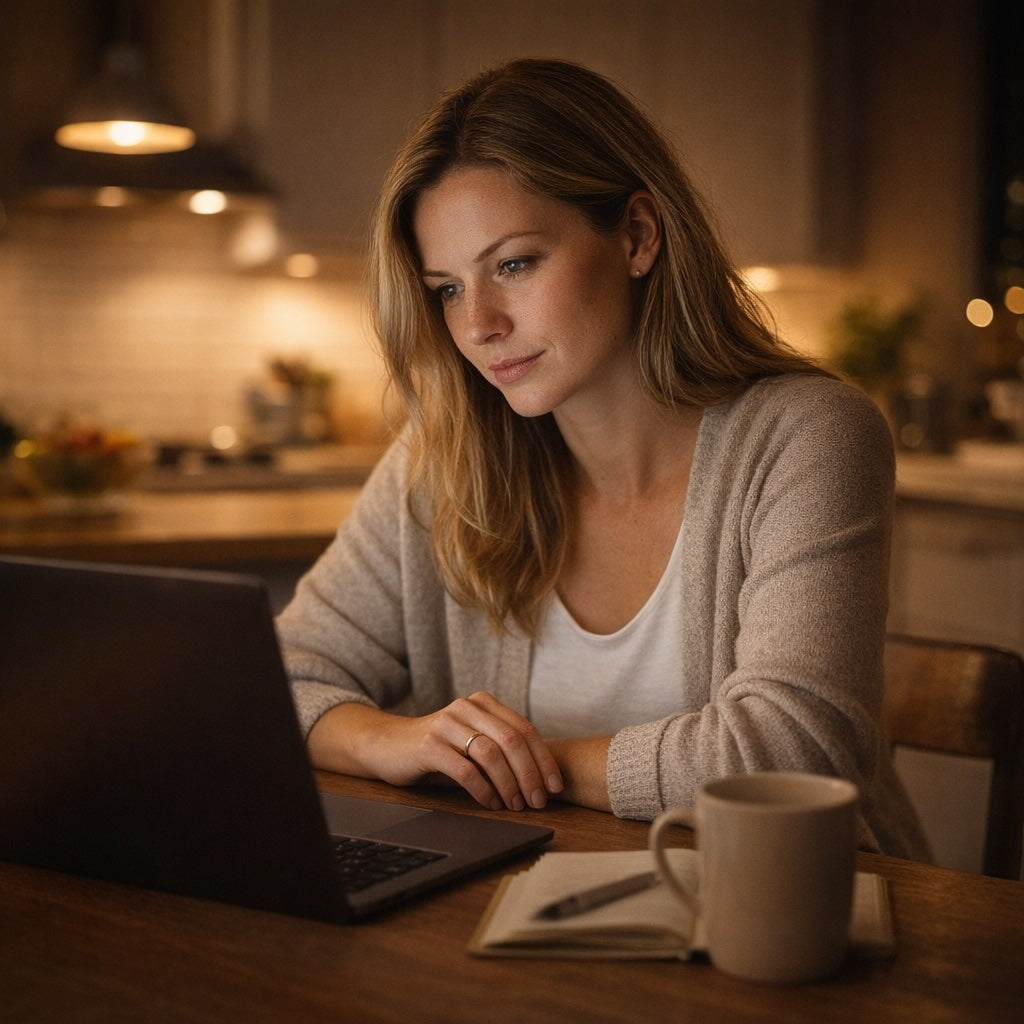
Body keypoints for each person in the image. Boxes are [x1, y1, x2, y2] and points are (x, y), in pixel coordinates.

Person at [276, 58, 929, 860]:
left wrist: (519, 765)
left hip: (787, 922)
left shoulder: (810, 437)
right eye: (446, 288)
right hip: (522, 920)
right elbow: (277, 678)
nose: (478, 324)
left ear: (638, 236)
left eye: (514, 264)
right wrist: (390, 742)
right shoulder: (443, 460)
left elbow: (790, 751)